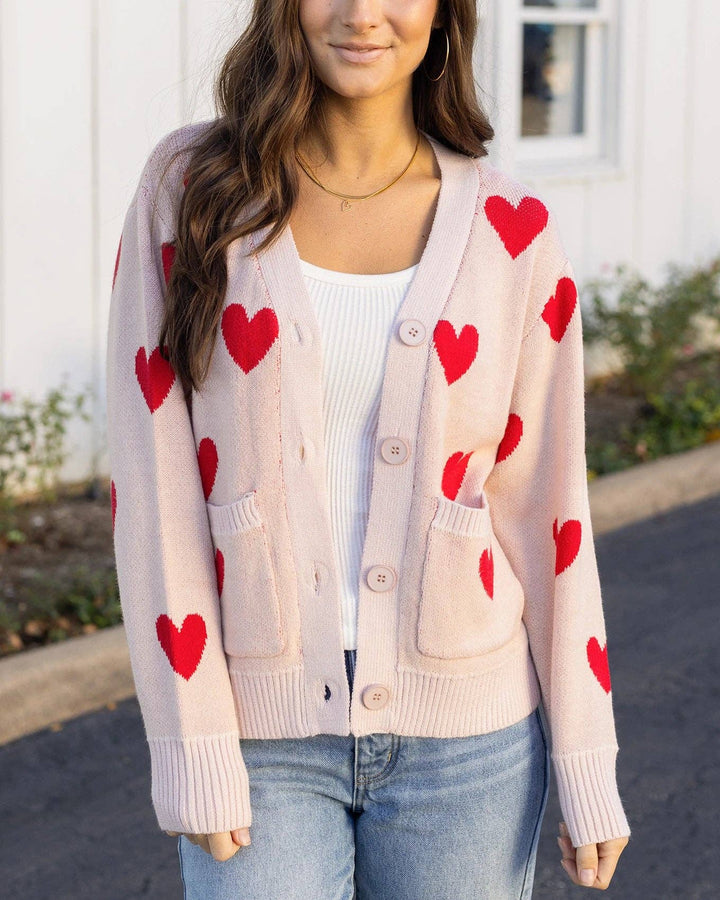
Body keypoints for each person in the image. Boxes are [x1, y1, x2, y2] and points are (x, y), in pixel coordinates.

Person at [105, 1, 632, 897]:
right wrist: (192, 736)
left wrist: (587, 759)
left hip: (471, 746)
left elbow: (551, 514)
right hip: (260, 731)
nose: (361, 14)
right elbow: (153, 484)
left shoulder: (514, 232)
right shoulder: (194, 191)